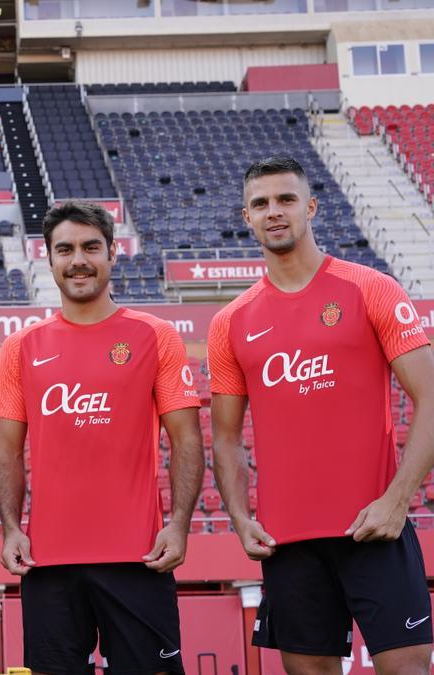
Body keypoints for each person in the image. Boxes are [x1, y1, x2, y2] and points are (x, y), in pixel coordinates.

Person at [208, 157, 434, 674]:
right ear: (246, 216)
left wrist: (397, 501)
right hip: (288, 541)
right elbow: (225, 439)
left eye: (286, 199)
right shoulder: (230, 322)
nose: (274, 212)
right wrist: (242, 520)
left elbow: (431, 396)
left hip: (375, 527)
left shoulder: (370, 288)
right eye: (261, 203)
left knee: (407, 668)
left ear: (310, 207)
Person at [0, 200, 203, 674]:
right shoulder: (20, 347)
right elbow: (6, 451)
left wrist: (180, 523)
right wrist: (11, 528)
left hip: (140, 557)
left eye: (91, 247)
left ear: (112, 253)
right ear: (49, 259)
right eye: (64, 249)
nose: (78, 259)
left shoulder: (156, 336)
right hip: (49, 564)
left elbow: (186, 440)